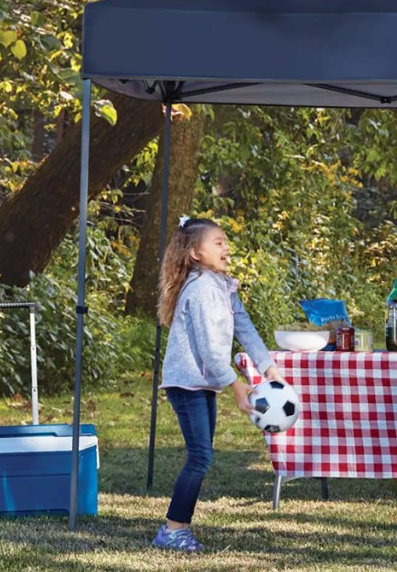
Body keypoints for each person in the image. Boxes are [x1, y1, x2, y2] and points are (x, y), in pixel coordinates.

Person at [151, 216, 281, 552]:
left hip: (201, 383)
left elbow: (245, 328)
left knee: (201, 456)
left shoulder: (221, 285)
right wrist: (237, 386)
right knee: (200, 457)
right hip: (187, 383)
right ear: (195, 252)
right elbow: (209, 348)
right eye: (218, 242)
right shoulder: (201, 290)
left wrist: (269, 369)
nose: (227, 248)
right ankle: (173, 530)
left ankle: (175, 528)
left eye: (226, 241)